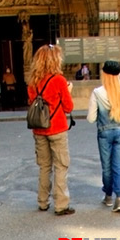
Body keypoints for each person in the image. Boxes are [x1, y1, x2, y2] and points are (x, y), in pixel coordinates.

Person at [27, 44, 75, 216]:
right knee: (61, 165)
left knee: (44, 166)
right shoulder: (59, 80)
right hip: (57, 128)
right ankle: (61, 204)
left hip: (39, 130)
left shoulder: (32, 83)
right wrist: (68, 91)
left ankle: (42, 201)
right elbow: (68, 107)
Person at [87, 60, 120, 212]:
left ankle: (108, 196)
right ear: (118, 74)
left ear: (104, 74)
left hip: (104, 133)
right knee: (119, 165)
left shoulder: (97, 92)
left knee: (106, 167)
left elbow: (91, 118)